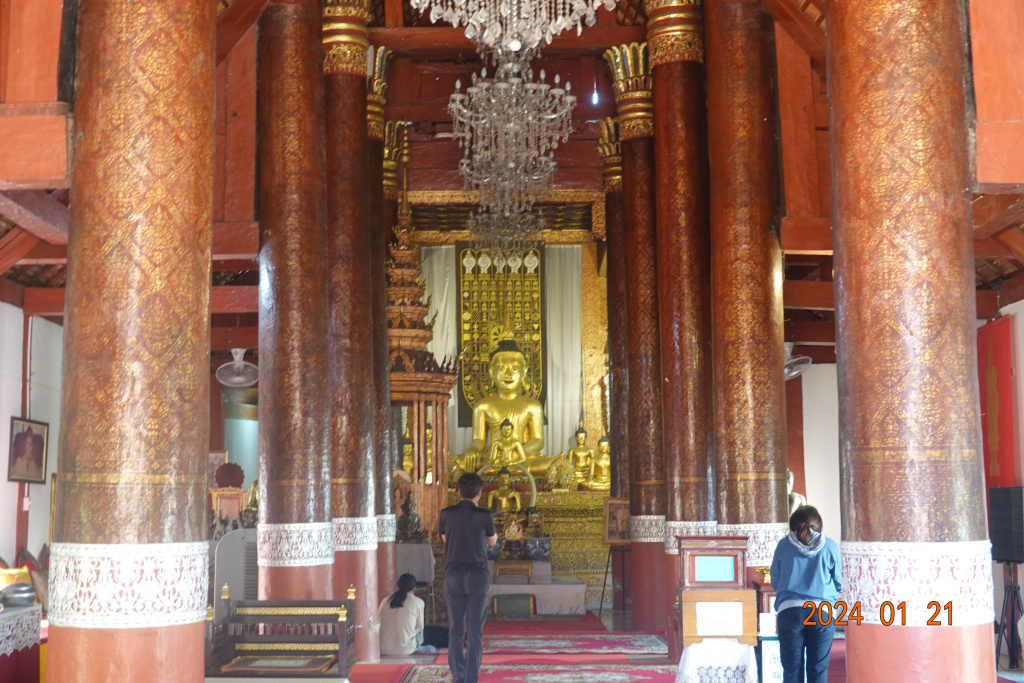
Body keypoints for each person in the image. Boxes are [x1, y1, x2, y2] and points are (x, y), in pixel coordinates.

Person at [770, 505, 842, 683]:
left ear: (793, 526)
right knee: (818, 671)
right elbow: (840, 581)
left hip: (790, 612)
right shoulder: (830, 546)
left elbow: (775, 581)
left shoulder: (783, 545)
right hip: (821, 613)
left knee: (791, 671)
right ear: (819, 524)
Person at [438, 473, 497, 683]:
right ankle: (471, 678)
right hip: (477, 576)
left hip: (453, 574)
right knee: (474, 631)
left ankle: (458, 675)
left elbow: (446, 538)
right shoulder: (485, 515)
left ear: (458, 491)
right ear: (480, 493)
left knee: (455, 629)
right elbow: (491, 543)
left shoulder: (446, 513)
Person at [378, 573, 446, 656]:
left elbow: (378, 623)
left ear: (397, 586)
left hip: (384, 648)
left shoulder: (385, 601)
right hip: (406, 649)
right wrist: (418, 646)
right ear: (414, 589)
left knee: (431, 630)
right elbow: (420, 629)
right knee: (431, 633)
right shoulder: (418, 602)